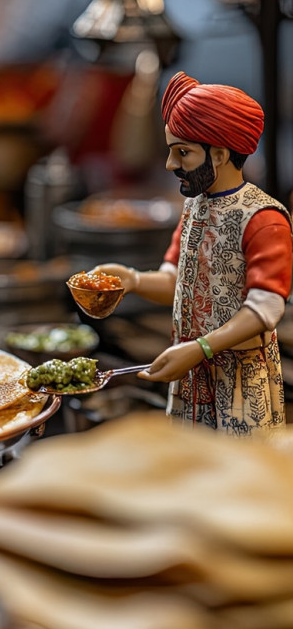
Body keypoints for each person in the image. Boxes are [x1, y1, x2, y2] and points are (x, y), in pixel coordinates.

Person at [94, 71, 292, 435]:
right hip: (190, 372)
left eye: (182, 152)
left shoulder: (263, 219)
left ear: (218, 154)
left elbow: (266, 308)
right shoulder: (193, 208)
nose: (171, 165)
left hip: (240, 383)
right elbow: (176, 281)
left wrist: (200, 347)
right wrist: (133, 280)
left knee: (236, 476)